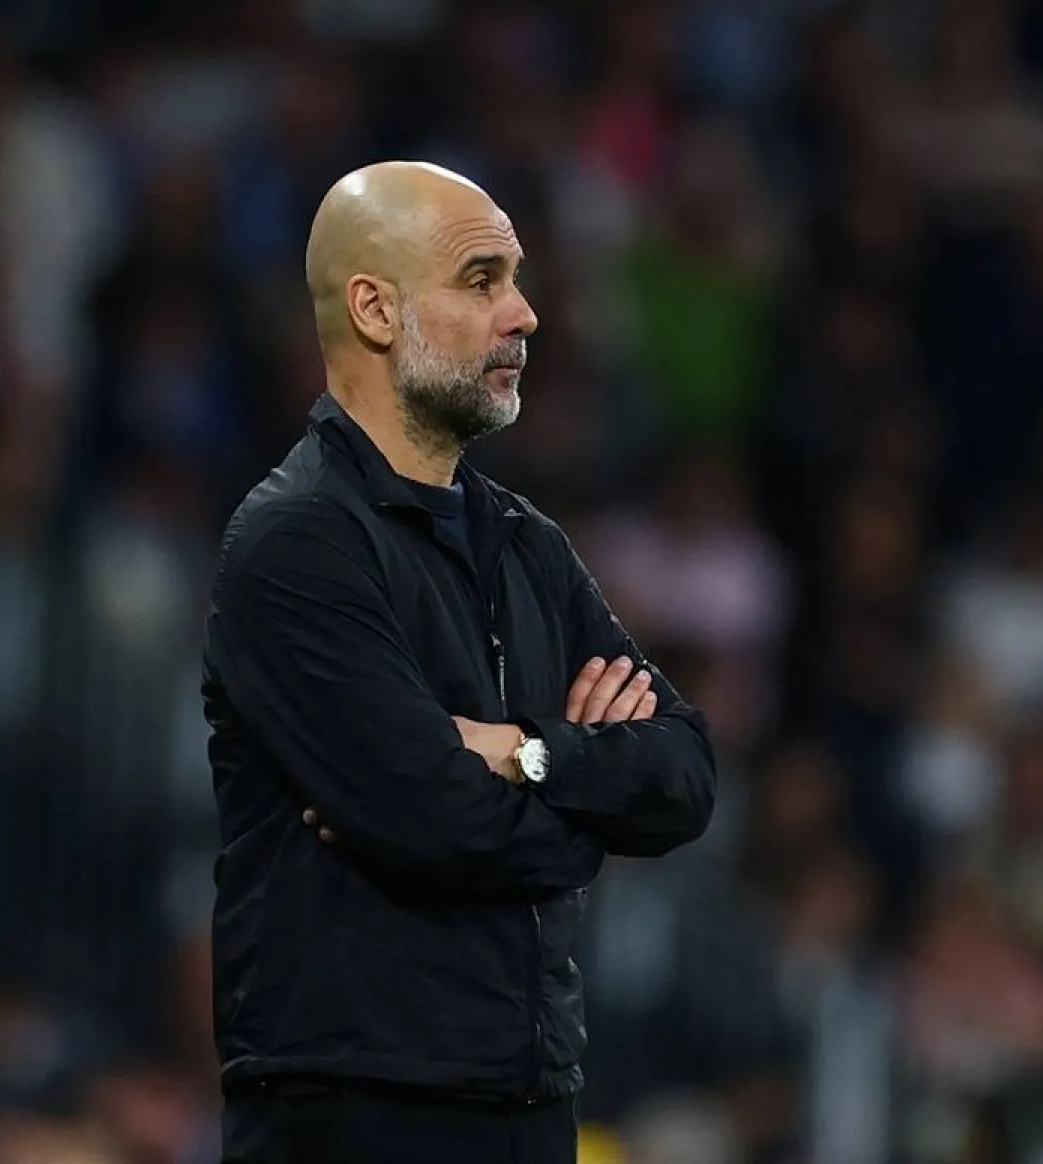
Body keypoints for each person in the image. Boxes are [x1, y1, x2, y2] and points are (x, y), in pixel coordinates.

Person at [201, 161, 717, 1164]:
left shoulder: (526, 544)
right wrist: (589, 817)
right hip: (355, 1115)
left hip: (529, 1102)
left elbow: (687, 774)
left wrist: (523, 752)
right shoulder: (297, 543)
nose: (524, 315)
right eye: (482, 280)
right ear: (374, 309)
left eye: (515, 280)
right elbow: (431, 817)